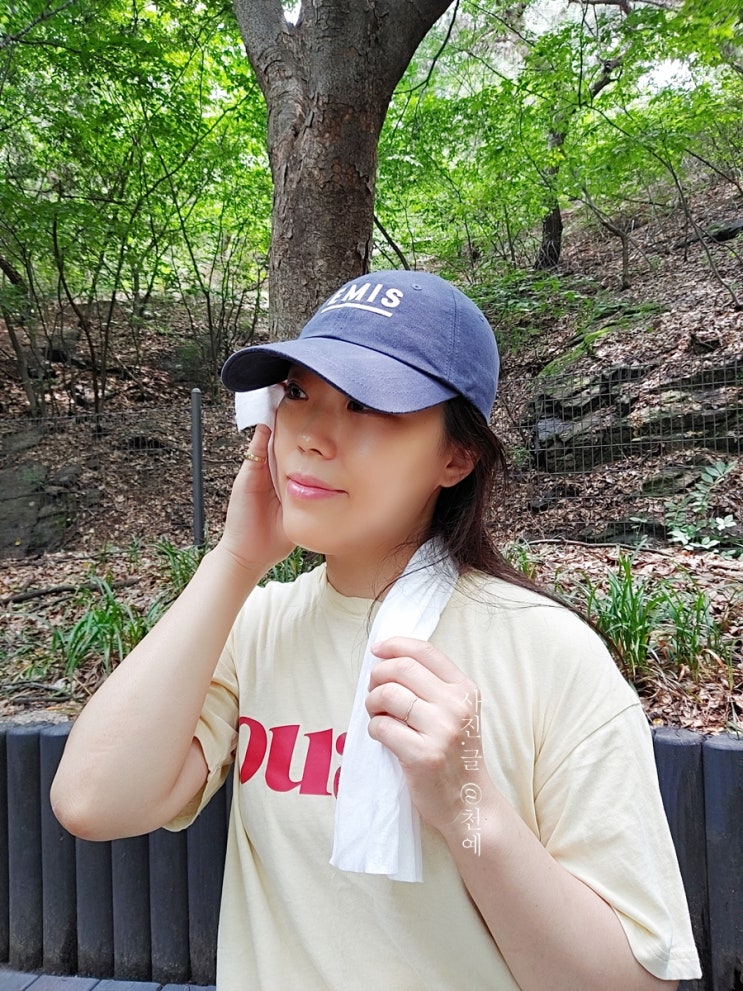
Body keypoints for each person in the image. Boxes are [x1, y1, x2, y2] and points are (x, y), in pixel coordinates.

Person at [52, 270, 701, 991]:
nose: (311, 437)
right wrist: (235, 560)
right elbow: (92, 802)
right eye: (298, 393)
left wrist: (468, 805)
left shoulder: (548, 653)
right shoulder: (256, 628)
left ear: (456, 457)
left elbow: (635, 982)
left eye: (365, 404)